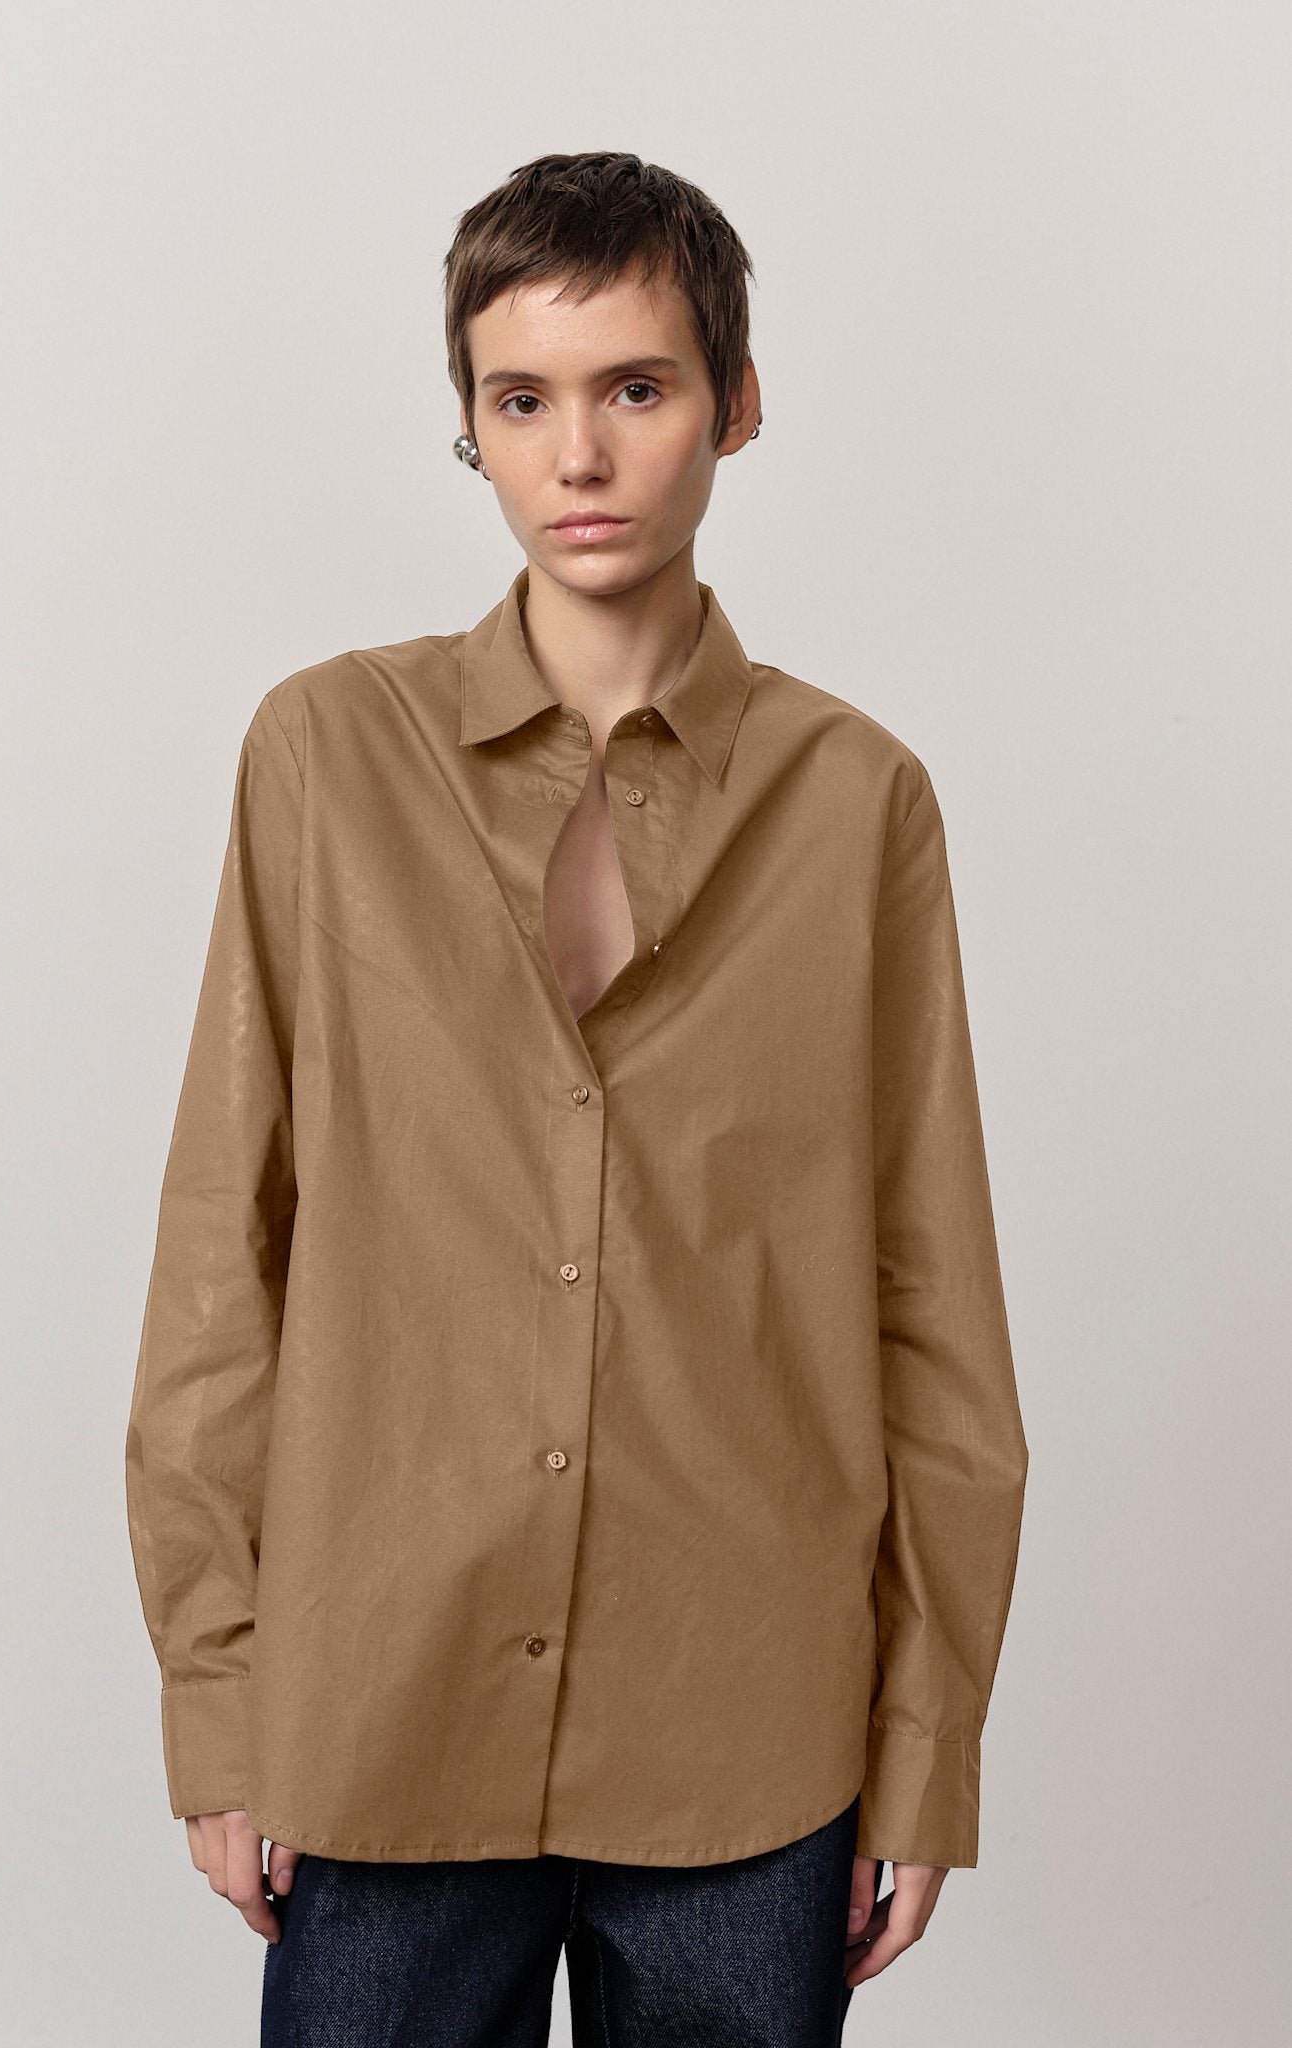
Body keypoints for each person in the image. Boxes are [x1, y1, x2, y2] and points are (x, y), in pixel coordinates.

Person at [125, 150, 1029, 2045]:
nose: (580, 454)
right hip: (382, 1708)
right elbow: (227, 1244)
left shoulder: (857, 800)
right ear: (469, 425)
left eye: (636, 386)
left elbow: (930, 1298)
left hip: (749, 1730)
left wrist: (923, 1745)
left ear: (736, 402)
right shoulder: (326, 754)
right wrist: (220, 1691)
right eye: (521, 400)